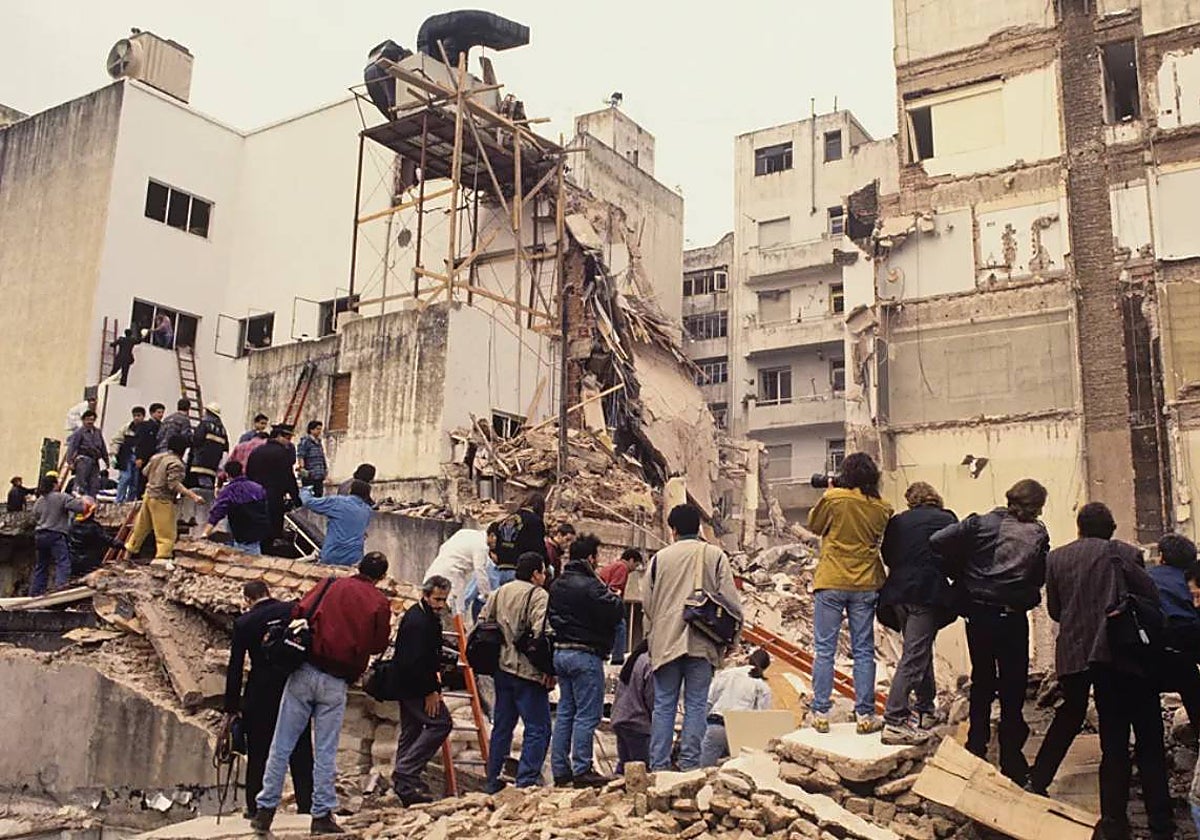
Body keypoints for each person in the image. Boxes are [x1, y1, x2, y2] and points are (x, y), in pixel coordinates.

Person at [1023, 503, 1172, 839]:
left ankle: (1052, 786)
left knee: (1076, 719)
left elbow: (1056, 610)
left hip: (1076, 652)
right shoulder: (1126, 554)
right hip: (1121, 656)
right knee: (1145, 738)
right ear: (1112, 527)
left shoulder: (1057, 559)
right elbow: (1149, 601)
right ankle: (1159, 822)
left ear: (1079, 527)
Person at [251, 553, 391, 835]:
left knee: (282, 743)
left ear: (358, 567)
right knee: (326, 750)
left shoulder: (331, 584)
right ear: (381, 577)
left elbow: (299, 611)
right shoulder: (379, 602)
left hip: (304, 670)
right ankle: (322, 814)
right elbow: (378, 645)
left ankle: (265, 810)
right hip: (337, 681)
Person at [930, 478, 1049, 786]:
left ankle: (977, 746)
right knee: (1013, 685)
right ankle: (1011, 756)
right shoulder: (1037, 534)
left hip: (979, 613)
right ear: (1034, 506)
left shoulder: (978, 524)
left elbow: (937, 542)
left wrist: (963, 574)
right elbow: (1039, 574)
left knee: (983, 679)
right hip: (1012, 616)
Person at [643, 504, 743, 772]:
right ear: (698, 528)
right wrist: (733, 640)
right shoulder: (715, 556)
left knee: (664, 704)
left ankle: (659, 766)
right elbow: (732, 603)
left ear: (673, 530)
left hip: (666, 643)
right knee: (697, 705)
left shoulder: (658, 560)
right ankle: (689, 766)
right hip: (703, 642)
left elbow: (647, 606)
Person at [806, 452, 893, 735]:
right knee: (864, 650)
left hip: (832, 579)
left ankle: (820, 712)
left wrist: (831, 492)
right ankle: (865, 714)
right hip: (866, 582)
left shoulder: (835, 499)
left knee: (825, 650)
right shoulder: (882, 508)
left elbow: (815, 526)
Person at [877, 481, 959, 745]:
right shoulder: (947, 519)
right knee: (915, 655)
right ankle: (895, 719)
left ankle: (925, 709)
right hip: (926, 592)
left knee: (920, 650)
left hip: (897, 593)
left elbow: (888, 556)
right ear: (936, 498)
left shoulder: (898, 522)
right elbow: (954, 555)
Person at [225, 581, 314, 819]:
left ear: (247, 599)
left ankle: (255, 807)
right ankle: (307, 803)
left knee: (259, 751)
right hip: (293, 685)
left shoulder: (244, 623)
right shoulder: (291, 610)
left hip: (260, 691)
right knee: (300, 747)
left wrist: (231, 707)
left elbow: (235, 666)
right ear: (268, 593)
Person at [548, 534, 623, 787]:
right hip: (585, 654)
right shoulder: (592, 586)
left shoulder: (558, 583)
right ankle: (582, 768)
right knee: (587, 714)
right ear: (591, 558)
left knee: (566, 712)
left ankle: (560, 769)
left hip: (560, 653)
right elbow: (614, 610)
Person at [481, 552, 554, 793]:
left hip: (502, 669)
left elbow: (484, 622)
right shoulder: (538, 595)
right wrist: (548, 669)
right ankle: (526, 781)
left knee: (502, 726)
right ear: (536, 574)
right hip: (527, 671)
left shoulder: (499, 592)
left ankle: (493, 780)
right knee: (538, 727)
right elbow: (541, 633)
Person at [391, 575, 454, 806]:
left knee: (411, 730)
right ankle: (406, 772)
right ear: (425, 595)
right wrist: (431, 690)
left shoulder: (425, 617)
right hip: (415, 685)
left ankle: (404, 786)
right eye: (436, 599)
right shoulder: (419, 621)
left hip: (410, 684)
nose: (440, 604)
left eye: (443, 600)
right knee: (441, 723)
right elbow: (416, 662)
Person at [1148, 533, 1200, 731]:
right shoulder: (1191, 581)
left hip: (1150, 652)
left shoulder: (1146, 577)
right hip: (1187, 653)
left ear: (1161, 556)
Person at [125, 436, 204, 560]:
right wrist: (194, 496)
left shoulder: (157, 457)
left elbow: (145, 472)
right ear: (183, 450)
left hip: (148, 496)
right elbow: (174, 484)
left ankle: (127, 554)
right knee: (166, 534)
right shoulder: (176, 464)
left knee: (140, 529)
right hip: (163, 500)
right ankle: (162, 559)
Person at [699, 649, 773, 767]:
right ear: (766, 667)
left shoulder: (728, 673)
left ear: (748, 659)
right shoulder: (763, 686)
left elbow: (710, 699)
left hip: (718, 724)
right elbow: (761, 716)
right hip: (741, 733)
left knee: (702, 772)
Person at [246, 424, 300, 555]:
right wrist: (296, 497)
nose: (289, 441)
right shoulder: (283, 453)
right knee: (272, 531)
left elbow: (248, 472)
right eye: (287, 437)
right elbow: (288, 477)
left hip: (255, 496)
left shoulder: (256, 451)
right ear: (279, 436)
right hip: (274, 497)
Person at [29, 476, 86, 596]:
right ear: (54, 485)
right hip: (55, 534)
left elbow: (33, 517)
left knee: (41, 566)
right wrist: (79, 498)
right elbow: (80, 508)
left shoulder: (39, 500)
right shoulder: (61, 497)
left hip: (40, 535)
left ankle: (35, 593)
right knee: (63, 563)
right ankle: (60, 591)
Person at [202, 461, 269, 555]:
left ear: (227, 474)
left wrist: (205, 533)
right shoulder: (257, 487)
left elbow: (217, 513)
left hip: (242, 532)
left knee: (246, 558)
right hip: (259, 529)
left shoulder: (229, 491)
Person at [300, 480, 372, 566]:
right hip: (355, 558)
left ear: (350, 490)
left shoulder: (337, 502)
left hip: (333, 556)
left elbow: (309, 502)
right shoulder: (367, 510)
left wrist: (305, 490)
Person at [423, 527, 491, 616]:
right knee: (457, 613)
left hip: (436, 568)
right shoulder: (482, 547)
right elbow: (480, 572)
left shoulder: (465, 532)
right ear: (492, 536)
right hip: (453, 575)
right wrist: (488, 597)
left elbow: (443, 547)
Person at [611, 640, 654, 774]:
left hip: (621, 718)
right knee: (640, 772)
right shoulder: (650, 663)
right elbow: (651, 698)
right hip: (638, 721)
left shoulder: (634, 659)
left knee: (624, 766)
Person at [598, 548, 641, 665]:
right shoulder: (622, 568)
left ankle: (605, 652)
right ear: (631, 560)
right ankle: (617, 657)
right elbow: (615, 588)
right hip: (608, 602)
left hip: (600, 601)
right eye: (636, 565)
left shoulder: (612, 565)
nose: (635, 569)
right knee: (620, 626)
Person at [185, 402, 229, 516]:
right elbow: (225, 449)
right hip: (212, 467)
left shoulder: (204, 424)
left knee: (195, 490)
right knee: (208, 490)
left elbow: (197, 440)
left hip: (198, 464)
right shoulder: (222, 430)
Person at [494, 492, 547, 579]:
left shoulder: (508, 518)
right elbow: (539, 547)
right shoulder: (535, 521)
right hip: (520, 570)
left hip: (500, 568)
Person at [67, 497, 124, 577]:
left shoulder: (71, 525)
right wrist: (123, 545)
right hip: (89, 563)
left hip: (73, 562)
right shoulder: (93, 527)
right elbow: (107, 540)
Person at [66, 410, 109, 499]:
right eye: (88, 419)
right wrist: (70, 462)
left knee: (94, 484)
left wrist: (106, 460)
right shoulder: (79, 432)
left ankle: (91, 502)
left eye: (92, 419)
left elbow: (103, 447)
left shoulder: (97, 432)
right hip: (83, 460)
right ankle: (79, 502)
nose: (90, 422)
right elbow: (72, 447)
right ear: (83, 420)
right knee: (81, 483)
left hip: (95, 461)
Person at [112, 406, 146, 503]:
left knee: (135, 482)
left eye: (139, 416)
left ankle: (129, 501)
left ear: (143, 416)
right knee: (125, 478)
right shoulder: (127, 428)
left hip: (139, 458)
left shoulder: (146, 428)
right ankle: (119, 500)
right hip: (126, 457)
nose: (136, 418)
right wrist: (113, 454)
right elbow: (116, 440)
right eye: (134, 416)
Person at [133, 403, 165, 498]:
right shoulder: (144, 426)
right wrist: (139, 457)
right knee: (142, 480)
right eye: (158, 412)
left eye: (162, 412)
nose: (161, 415)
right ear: (152, 413)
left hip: (156, 457)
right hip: (144, 457)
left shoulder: (162, 427)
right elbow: (139, 442)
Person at [296, 421, 328, 496]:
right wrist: (303, 469)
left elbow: (322, 456)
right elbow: (301, 455)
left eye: (320, 429)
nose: (319, 431)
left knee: (319, 495)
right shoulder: (305, 441)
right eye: (317, 429)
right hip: (310, 474)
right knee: (310, 496)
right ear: (311, 430)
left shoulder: (319, 442)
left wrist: (325, 468)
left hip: (319, 473)